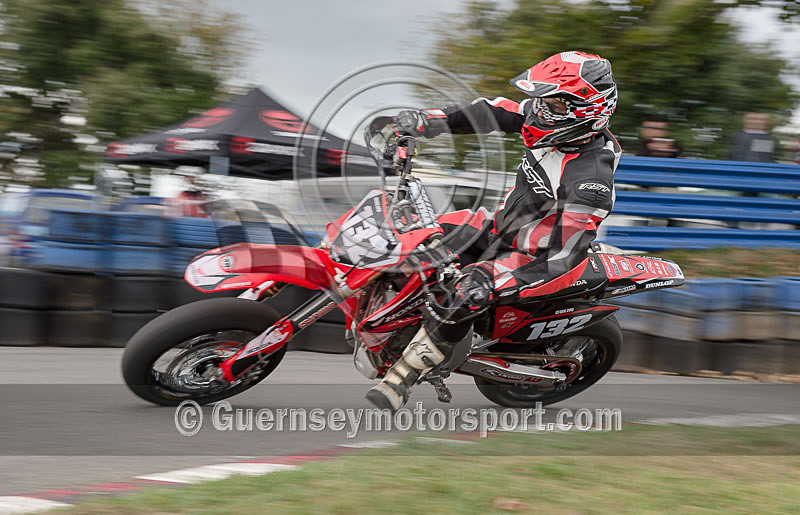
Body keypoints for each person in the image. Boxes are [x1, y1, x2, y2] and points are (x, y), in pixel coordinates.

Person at [366, 51, 621, 411]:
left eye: (555, 106)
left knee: (465, 291)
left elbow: (561, 256)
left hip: (535, 256)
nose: (541, 111)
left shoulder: (590, 179)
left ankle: (407, 374)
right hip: (498, 227)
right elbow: (489, 111)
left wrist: (491, 281)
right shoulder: (549, 123)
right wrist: (423, 121)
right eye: (541, 101)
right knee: (411, 235)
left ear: (589, 110)